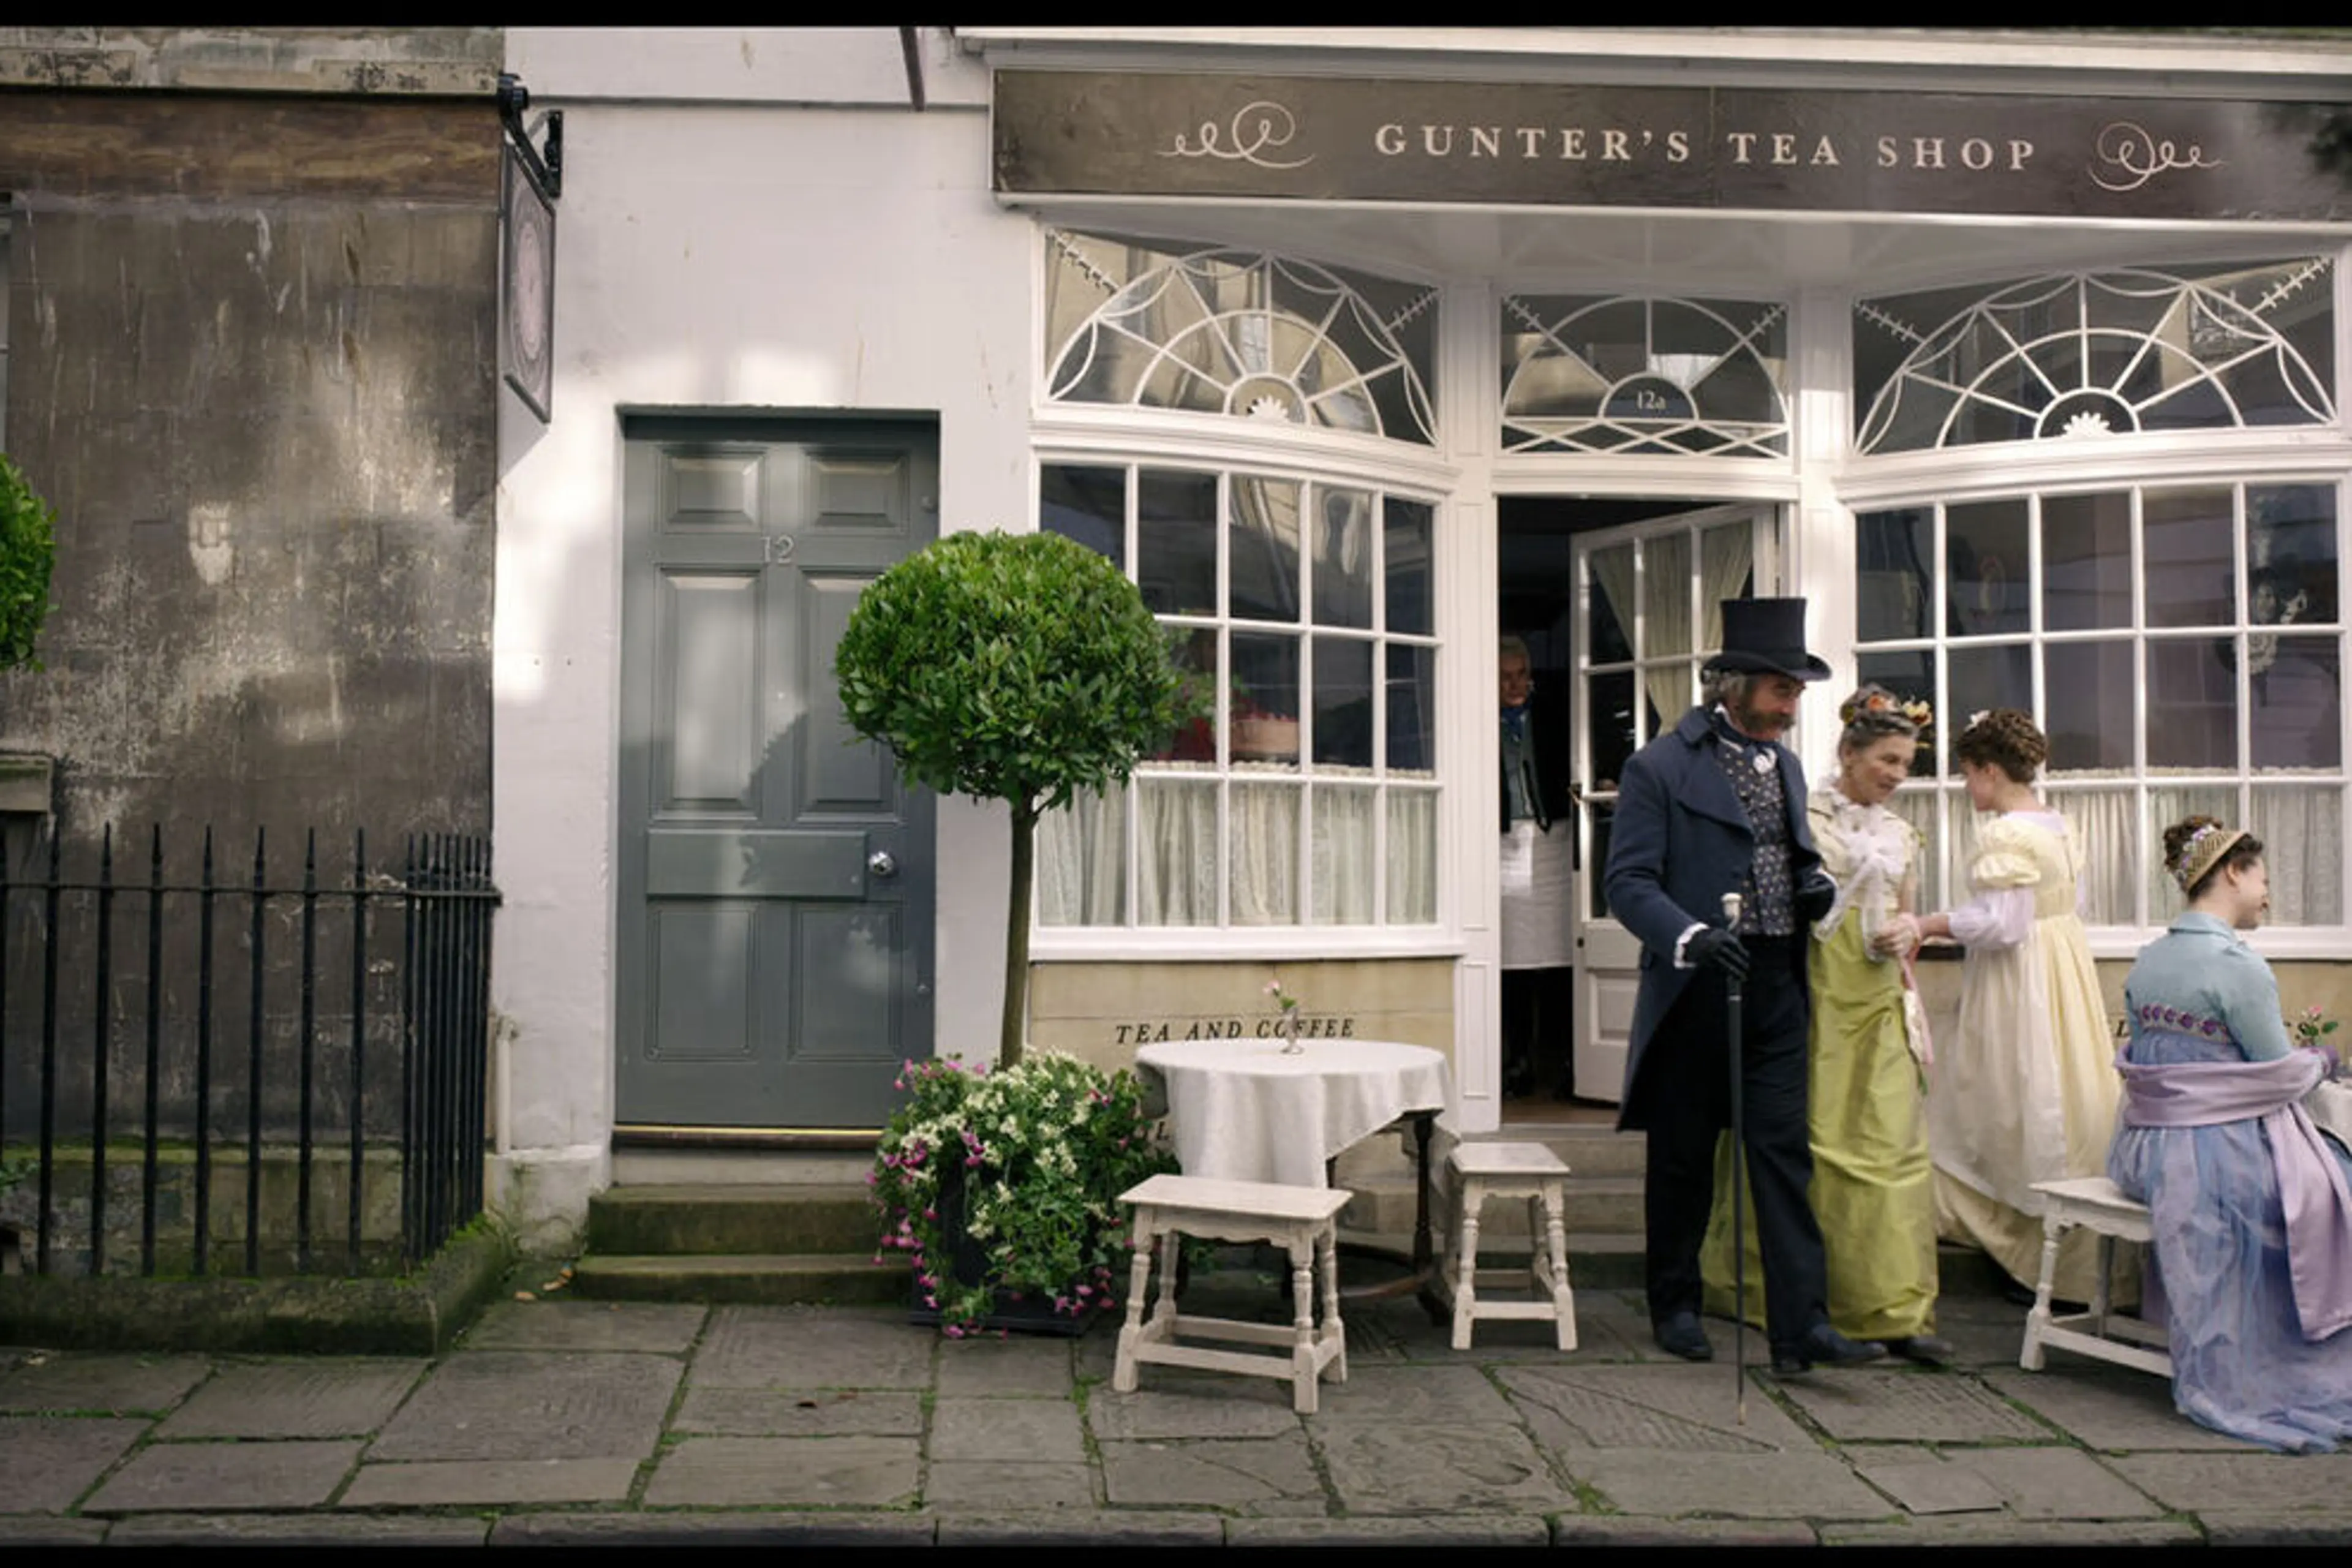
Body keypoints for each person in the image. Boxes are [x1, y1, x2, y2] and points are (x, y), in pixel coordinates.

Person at [1604, 596, 1886, 1375]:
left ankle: (1801, 1327)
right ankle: (1676, 1303)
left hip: (1776, 983)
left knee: (1783, 1156)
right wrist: (1690, 936)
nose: (1793, 702)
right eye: (1781, 687)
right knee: (1686, 1159)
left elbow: (1791, 857)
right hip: (1698, 982)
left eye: (1797, 688)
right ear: (1731, 684)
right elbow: (1627, 883)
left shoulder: (1787, 765)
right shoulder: (1660, 765)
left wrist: (1815, 886)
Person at [1700, 685, 1953, 1363]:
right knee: (1808, 1145)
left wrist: (1907, 930)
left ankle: (1895, 1308)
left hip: (1876, 999)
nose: (1898, 775)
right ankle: (1787, 1300)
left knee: (1889, 1148)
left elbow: (1907, 909)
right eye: (1888, 760)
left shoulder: (1902, 832)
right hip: (1811, 988)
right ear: (1849, 752)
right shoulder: (1802, 813)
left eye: (1907, 763)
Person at [2109, 816, 2352, 1451]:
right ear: (2233, 873)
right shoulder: (2238, 966)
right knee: (2336, 1177)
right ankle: (2297, 1344)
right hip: (2212, 1152)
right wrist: (2323, 1060)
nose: (2268, 893)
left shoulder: (2150, 959)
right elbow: (2280, 1073)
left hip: (2145, 1148)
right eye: (2264, 878)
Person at [1913, 709, 2129, 1306]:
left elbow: (2004, 926)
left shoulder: (2008, 833)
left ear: (1987, 769)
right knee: (2061, 1095)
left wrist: (1929, 923)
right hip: (2063, 968)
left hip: (2021, 980)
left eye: (1966, 774)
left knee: (2013, 1100)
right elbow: (2064, 903)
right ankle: (2065, 1260)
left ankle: (2031, 1253)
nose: (1964, 787)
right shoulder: (2057, 825)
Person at [1499, 635, 1576, 1099]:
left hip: (1556, 840)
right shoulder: (1475, 719)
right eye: (1505, 677)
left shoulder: (1555, 714)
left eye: (1521, 674)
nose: (1515, 685)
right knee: (1512, 960)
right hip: (1502, 842)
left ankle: (1569, 1061)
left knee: (1562, 960)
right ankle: (1517, 1060)